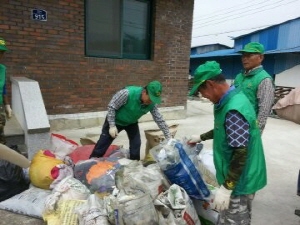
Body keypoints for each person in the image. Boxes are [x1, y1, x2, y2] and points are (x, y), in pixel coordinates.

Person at [188, 61, 267, 224]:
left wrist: (227, 187)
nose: (204, 97)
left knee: (235, 220)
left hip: (240, 179)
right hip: (239, 175)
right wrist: (201, 137)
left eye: (202, 92)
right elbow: (225, 130)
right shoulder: (233, 98)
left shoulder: (233, 109)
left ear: (210, 84)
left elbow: (240, 152)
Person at [89, 80, 171, 160]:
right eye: (150, 99)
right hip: (116, 121)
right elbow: (112, 106)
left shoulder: (152, 104)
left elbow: (159, 119)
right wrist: (112, 125)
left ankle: (133, 167)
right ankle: (90, 164)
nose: (151, 102)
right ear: (144, 92)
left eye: (153, 100)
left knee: (136, 144)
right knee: (102, 145)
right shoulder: (127, 93)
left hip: (131, 123)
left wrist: (168, 137)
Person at [234, 42, 275, 134]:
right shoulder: (239, 77)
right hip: (233, 124)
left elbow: (264, 111)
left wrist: (255, 133)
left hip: (248, 129)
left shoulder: (264, 80)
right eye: (243, 55)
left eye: (250, 55)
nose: (245, 58)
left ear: (260, 57)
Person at [0, 37, 13, 144]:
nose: (0, 55)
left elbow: (3, 89)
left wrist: (7, 106)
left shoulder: (2, 69)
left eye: (2, 52)